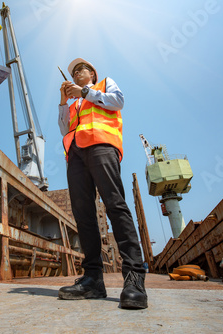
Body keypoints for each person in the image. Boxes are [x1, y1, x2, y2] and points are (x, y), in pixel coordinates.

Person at [57, 58, 148, 309]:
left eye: (80, 70)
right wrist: (64, 101)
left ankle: (134, 279)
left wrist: (85, 92)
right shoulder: (74, 103)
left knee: (115, 205)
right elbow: (64, 128)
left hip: (101, 147)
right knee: (83, 214)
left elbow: (118, 101)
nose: (76, 74)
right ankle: (93, 280)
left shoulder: (106, 84)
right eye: (73, 72)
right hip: (75, 155)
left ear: (92, 73)